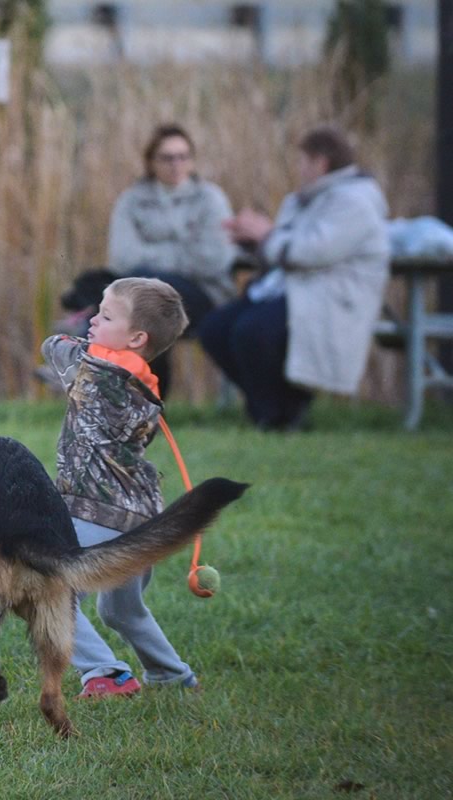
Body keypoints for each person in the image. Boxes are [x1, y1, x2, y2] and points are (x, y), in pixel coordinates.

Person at [40, 277, 199, 697]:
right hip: (143, 518)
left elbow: (53, 346)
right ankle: (172, 675)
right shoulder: (146, 386)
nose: (93, 319)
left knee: (45, 584)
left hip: (96, 512)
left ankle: (105, 673)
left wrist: (84, 340)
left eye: (105, 316)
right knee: (122, 609)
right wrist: (98, 335)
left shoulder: (94, 371)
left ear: (137, 337)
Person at [200, 125, 390, 431]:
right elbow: (284, 249)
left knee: (253, 331)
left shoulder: (357, 201)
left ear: (320, 162)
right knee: (215, 329)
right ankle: (272, 407)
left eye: (303, 161)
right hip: (292, 292)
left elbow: (313, 251)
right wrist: (253, 241)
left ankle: (280, 415)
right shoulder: (303, 199)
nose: (299, 169)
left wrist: (267, 234)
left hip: (331, 300)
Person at [105, 123, 238, 398]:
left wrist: (154, 257)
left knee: (143, 293)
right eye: (167, 158)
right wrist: (182, 251)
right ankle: (144, 395)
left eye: (183, 156)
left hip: (204, 296)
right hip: (144, 296)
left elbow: (214, 259)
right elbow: (122, 257)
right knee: (144, 301)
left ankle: (147, 395)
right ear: (151, 162)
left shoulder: (210, 199)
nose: (176, 164)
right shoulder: (131, 201)